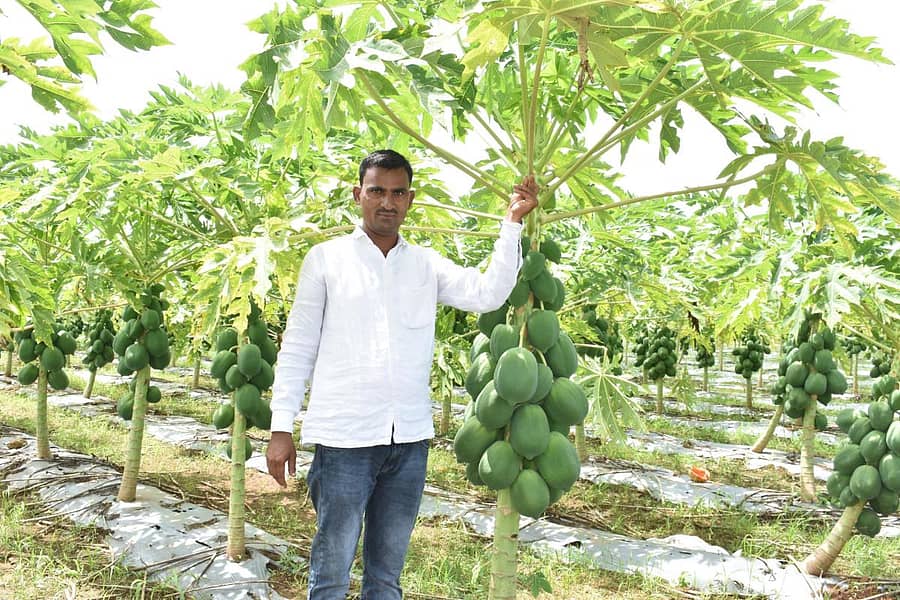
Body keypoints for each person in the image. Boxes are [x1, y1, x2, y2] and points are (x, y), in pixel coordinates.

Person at [267, 149, 538, 600]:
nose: (386, 202)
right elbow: (298, 347)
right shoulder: (325, 259)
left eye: (397, 193)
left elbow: (488, 294)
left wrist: (512, 224)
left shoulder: (426, 265)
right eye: (376, 191)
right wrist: (281, 426)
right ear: (358, 195)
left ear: (410, 200)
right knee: (332, 568)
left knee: (387, 575)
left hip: (408, 440)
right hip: (344, 440)